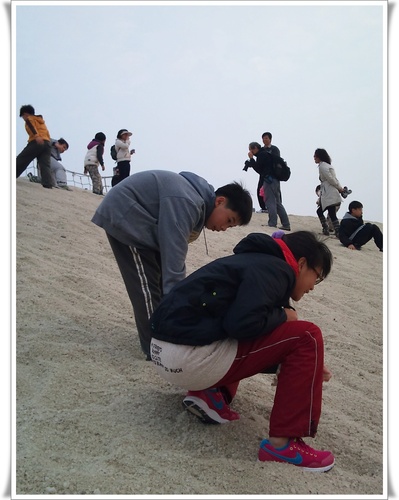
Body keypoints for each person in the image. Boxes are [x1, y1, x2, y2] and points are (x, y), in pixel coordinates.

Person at [150, 230, 335, 472]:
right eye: (317, 277)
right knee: (307, 336)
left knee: (274, 327)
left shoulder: (250, 262)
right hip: (190, 359)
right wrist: (284, 316)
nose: (313, 286)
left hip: (162, 352)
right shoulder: (276, 270)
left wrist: (306, 365)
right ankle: (283, 444)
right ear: (301, 264)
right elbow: (242, 325)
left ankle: (209, 394)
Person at [91, 170, 253, 359]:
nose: (224, 228)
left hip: (144, 220)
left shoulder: (195, 200)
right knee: (146, 286)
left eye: (230, 227)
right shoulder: (188, 202)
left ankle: (163, 334)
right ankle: (155, 347)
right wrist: (178, 300)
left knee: (159, 280)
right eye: (229, 220)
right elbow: (174, 251)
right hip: (127, 216)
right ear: (219, 201)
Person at [246, 142, 291, 231]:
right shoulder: (266, 154)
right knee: (277, 203)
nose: (250, 151)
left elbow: (259, 169)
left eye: (250, 149)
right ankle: (286, 224)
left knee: (269, 201)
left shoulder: (261, 155)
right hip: (275, 180)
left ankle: (272, 223)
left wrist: (251, 160)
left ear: (255, 148)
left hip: (269, 180)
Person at [16, 104, 54, 189]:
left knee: (23, 158)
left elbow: (31, 126)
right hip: (47, 143)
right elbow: (47, 133)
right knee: (45, 165)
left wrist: (36, 136)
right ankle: (48, 183)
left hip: (37, 141)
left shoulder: (30, 119)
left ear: (25, 114)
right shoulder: (41, 121)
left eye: (22, 116)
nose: (23, 118)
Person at [314, 148, 349, 237]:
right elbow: (334, 179)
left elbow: (330, 179)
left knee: (321, 211)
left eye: (315, 156)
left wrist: (340, 188)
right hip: (330, 191)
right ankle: (337, 232)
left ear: (319, 157)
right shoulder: (328, 165)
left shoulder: (322, 166)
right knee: (332, 213)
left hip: (329, 192)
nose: (314, 158)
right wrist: (340, 188)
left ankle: (327, 229)